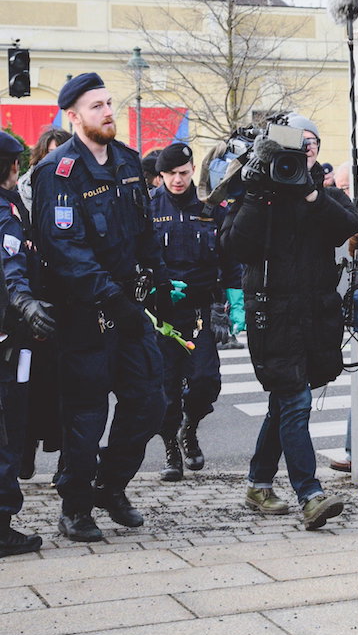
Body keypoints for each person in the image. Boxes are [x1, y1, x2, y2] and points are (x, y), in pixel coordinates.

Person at [28, 73, 169, 543]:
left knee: (150, 402)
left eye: (109, 103)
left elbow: (144, 230)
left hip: (129, 306)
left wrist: (159, 277)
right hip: (85, 312)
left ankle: (111, 485)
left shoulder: (127, 161)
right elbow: (65, 250)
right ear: (73, 116)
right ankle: (75, 508)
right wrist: (112, 297)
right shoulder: (57, 171)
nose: (108, 112)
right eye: (96, 106)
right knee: (86, 416)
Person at [220, 113, 358, 530]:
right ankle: (310, 495)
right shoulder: (258, 192)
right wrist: (257, 194)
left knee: (283, 403)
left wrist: (311, 194)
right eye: (298, 141)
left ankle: (258, 483)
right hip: (273, 316)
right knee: (295, 402)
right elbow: (235, 246)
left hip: (315, 317)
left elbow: (348, 227)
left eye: (312, 141)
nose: (306, 147)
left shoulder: (322, 193)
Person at [148, 141, 238, 482]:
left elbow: (230, 259)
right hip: (162, 312)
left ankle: (190, 427)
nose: (178, 180)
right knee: (166, 388)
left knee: (205, 380)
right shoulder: (149, 207)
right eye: (170, 174)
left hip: (201, 309)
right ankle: (171, 447)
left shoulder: (210, 207)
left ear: (192, 171)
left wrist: (229, 306)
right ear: (160, 175)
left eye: (184, 173)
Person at [0, 130, 47, 556]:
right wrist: (28, 305)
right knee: (8, 429)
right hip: (8, 339)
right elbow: (13, 270)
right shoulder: (6, 215)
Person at [19, 128, 70, 215]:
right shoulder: (24, 187)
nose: (56, 158)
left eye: (61, 153)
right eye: (51, 153)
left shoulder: (82, 184)